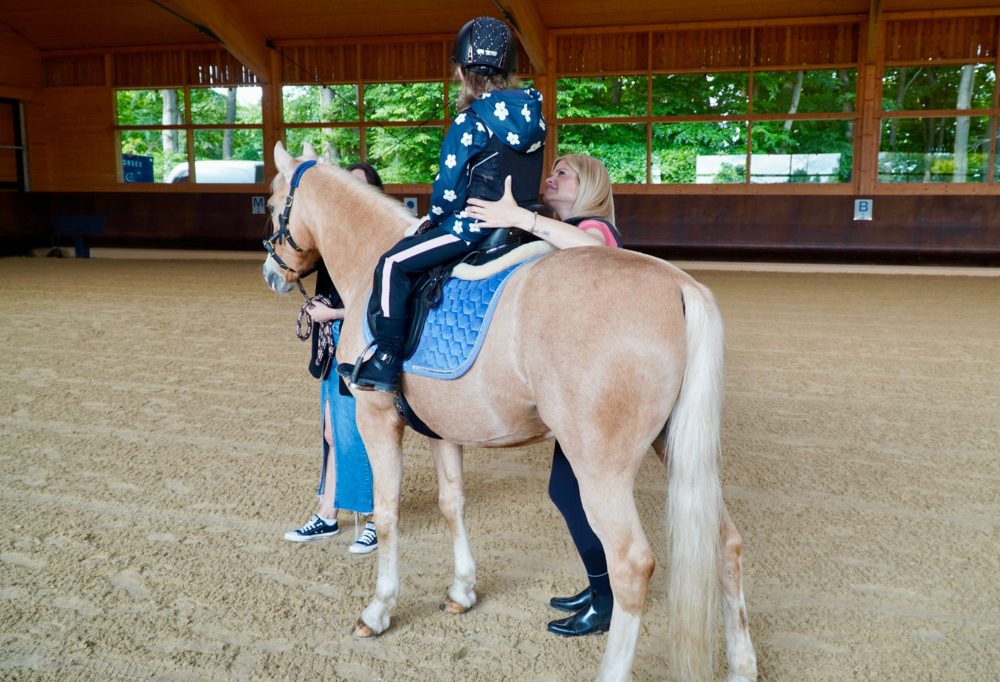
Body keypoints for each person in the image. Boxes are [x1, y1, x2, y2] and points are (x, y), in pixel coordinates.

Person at [337, 16, 546, 393]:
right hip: (521, 226)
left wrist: (434, 217)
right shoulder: (535, 116)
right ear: (509, 71)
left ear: (461, 72)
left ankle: (385, 358)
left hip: (473, 228)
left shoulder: (470, 120)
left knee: (392, 264)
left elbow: (448, 192)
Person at [466, 154, 621, 637]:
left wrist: (522, 218)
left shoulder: (594, 226)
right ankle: (604, 588)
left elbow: (591, 247)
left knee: (575, 492)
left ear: (589, 185)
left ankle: (606, 598)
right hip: (575, 380)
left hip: (594, 381)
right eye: (551, 172)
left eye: (563, 174)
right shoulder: (563, 227)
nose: (551, 179)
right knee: (573, 491)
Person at [283, 161, 384, 555]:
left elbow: (381, 302)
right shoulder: (332, 237)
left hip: (362, 338)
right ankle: (327, 513)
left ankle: (375, 515)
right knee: (331, 430)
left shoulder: (381, 239)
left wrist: (337, 314)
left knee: (362, 430)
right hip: (331, 339)